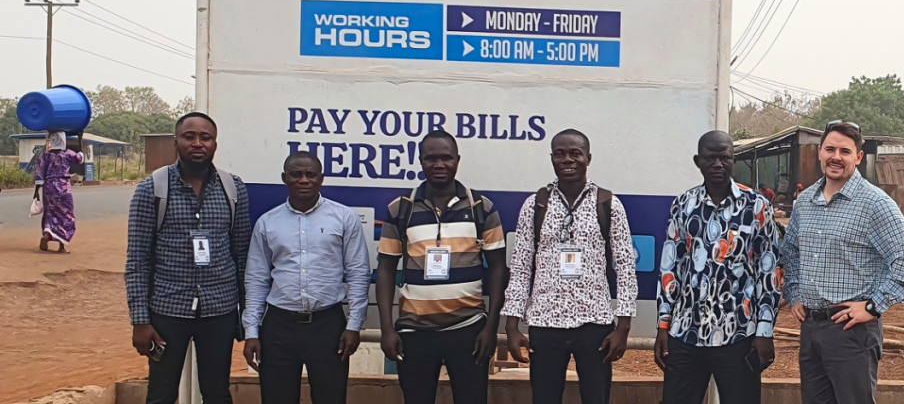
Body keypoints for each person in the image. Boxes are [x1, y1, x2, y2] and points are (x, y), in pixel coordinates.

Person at [780, 121, 904, 404]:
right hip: (811, 327)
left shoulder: (874, 203)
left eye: (845, 151)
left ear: (858, 157)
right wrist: (794, 293)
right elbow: (791, 251)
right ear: (820, 152)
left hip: (850, 331)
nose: (836, 156)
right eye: (830, 149)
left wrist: (873, 306)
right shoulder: (805, 202)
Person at [503, 129, 638, 404]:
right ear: (551, 158)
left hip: (594, 324)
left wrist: (623, 327)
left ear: (588, 158)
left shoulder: (609, 204)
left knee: (596, 398)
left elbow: (625, 266)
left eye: (575, 153)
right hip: (544, 322)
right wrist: (512, 326)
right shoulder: (535, 205)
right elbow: (519, 268)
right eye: (560, 153)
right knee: (545, 398)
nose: (568, 159)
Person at [124, 113, 251, 404]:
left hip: (219, 311)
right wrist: (140, 321)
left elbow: (243, 254)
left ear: (214, 144)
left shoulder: (233, 189)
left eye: (205, 138)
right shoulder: (152, 189)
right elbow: (137, 262)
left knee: (217, 391)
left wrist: (247, 314)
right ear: (176, 142)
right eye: (189, 137)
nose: (197, 143)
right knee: (161, 392)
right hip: (167, 311)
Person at [376, 130, 508, 404]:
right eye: (431, 158)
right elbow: (386, 269)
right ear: (420, 160)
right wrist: (387, 329)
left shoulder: (481, 207)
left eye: (446, 158)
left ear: (457, 160)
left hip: (469, 329)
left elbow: (497, 269)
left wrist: (491, 327)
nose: (439, 164)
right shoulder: (401, 209)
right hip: (414, 332)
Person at [655, 131, 781, 404]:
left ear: (733, 159)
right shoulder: (683, 204)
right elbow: (670, 267)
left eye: (724, 157)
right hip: (686, 333)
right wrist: (663, 325)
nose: (717, 164)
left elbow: (768, 271)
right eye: (710, 158)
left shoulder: (756, 206)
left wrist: (764, 332)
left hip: (739, 335)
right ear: (697, 161)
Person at [242, 151, 371, 404]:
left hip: (328, 325)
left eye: (311, 175)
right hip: (279, 327)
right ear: (284, 178)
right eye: (296, 175)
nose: (304, 180)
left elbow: (358, 274)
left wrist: (354, 325)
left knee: (330, 398)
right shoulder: (268, 222)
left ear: (321, 178)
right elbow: (256, 279)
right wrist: (252, 331)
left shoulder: (344, 218)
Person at [33, 131, 84, 253]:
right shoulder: (67, 154)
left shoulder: (45, 156)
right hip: (63, 187)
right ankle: (61, 246)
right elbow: (80, 158)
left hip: (49, 187)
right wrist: (80, 138)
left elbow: (39, 176)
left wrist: (36, 192)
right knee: (65, 215)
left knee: (50, 213)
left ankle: (47, 235)